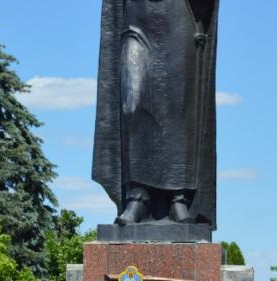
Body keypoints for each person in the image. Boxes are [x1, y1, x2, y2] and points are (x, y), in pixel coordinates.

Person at [92, 0, 218, 227]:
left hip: (179, 17)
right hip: (137, 19)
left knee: (179, 107)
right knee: (133, 101)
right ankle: (137, 195)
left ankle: (177, 198)